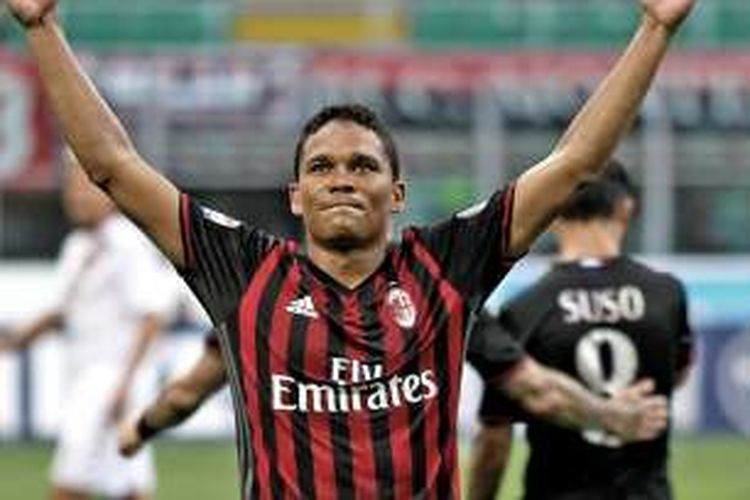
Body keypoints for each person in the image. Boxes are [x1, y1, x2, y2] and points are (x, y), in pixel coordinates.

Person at [6, 0, 694, 496]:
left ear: (396, 194)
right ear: (296, 195)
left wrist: (654, 29)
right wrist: (43, 27)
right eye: (322, 167)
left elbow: (574, 163)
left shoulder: (447, 263)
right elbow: (113, 167)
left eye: (363, 166)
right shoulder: (244, 273)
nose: (341, 179)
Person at [467, 160, 694, 500]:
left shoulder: (525, 309)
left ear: (553, 213)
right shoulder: (667, 294)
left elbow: (495, 441)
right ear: (626, 208)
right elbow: (676, 374)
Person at [0, 152, 177, 500]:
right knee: (129, 485)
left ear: (108, 192)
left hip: (111, 381)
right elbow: (62, 313)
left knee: (69, 481)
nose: (75, 195)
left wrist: (126, 384)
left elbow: (153, 315)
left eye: (84, 186)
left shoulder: (127, 242)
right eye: (70, 186)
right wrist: (14, 340)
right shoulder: (78, 247)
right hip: (86, 377)